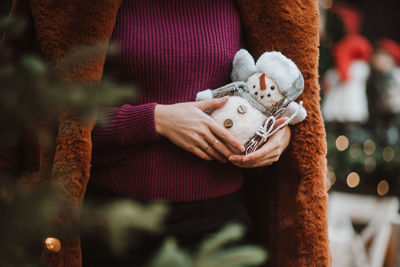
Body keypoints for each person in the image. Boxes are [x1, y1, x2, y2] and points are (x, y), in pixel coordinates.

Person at [0, 0, 330, 266]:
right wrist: (155, 120)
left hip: (220, 227)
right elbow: (44, 124)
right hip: (110, 227)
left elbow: (274, 100)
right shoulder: (72, 9)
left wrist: (281, 138)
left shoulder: (254, 7)